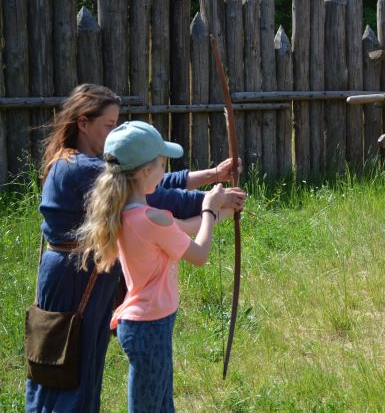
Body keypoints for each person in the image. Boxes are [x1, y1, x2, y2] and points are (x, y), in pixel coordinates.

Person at [25, 84, 245, 413]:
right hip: (73, 275)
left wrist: (212, 176)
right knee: (64, 366)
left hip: (87, 271)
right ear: (83, 123)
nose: (113, 132)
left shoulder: (97, 166)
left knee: (81, 366)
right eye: (108, 125)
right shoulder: (79, 167)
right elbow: (155, 193)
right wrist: (213, 202)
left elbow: (149, 182)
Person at [76, 121, 227, 413]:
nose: (164, 171)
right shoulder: (153, 219)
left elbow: (180, 229)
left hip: (146, 325)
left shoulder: (125, 214)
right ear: (145, 171)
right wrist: (209, 208)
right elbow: (199, 254)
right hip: (149, 327)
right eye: (161, 165)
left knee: (161, 404)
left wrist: (221, 210)